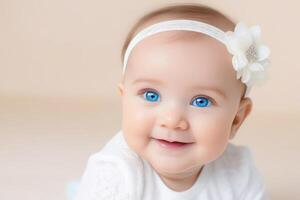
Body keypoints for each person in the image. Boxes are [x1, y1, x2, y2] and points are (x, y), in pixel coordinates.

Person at [74, 3, 270, 200]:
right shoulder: (115, 174)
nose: (172, 120)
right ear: (124, 100)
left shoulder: (237, 171)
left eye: (201, 101)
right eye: (151, 95)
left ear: (236, 119)